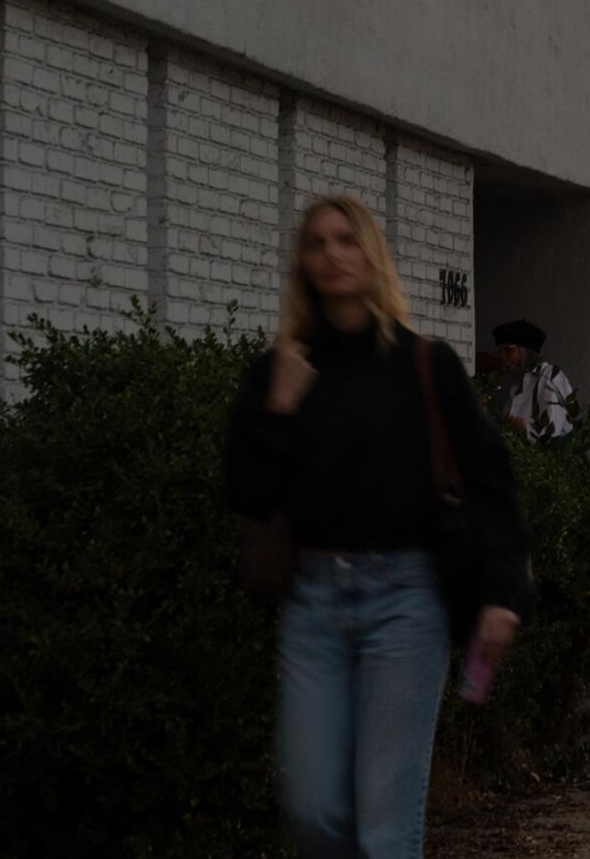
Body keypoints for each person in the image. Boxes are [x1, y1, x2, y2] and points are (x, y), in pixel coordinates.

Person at [226, 194, 530, 858]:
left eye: (347, 239)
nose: (333, 253)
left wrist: (503, 593)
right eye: (317, 242)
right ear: (302, 263)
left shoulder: (425, 363)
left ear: (372, 254)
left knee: (385, 828)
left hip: (407, 601)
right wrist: (278, 410)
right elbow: (246, 492)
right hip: (313, 602)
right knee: (314, 811)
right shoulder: (279, 370)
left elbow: (491, 481)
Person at [486, 317, 577, 440]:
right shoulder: (515, 388)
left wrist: (519, 425)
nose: (503, 358)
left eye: (508, 351)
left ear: (525, 350)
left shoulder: (549, 376)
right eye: (500, 353)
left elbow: (550, 431)